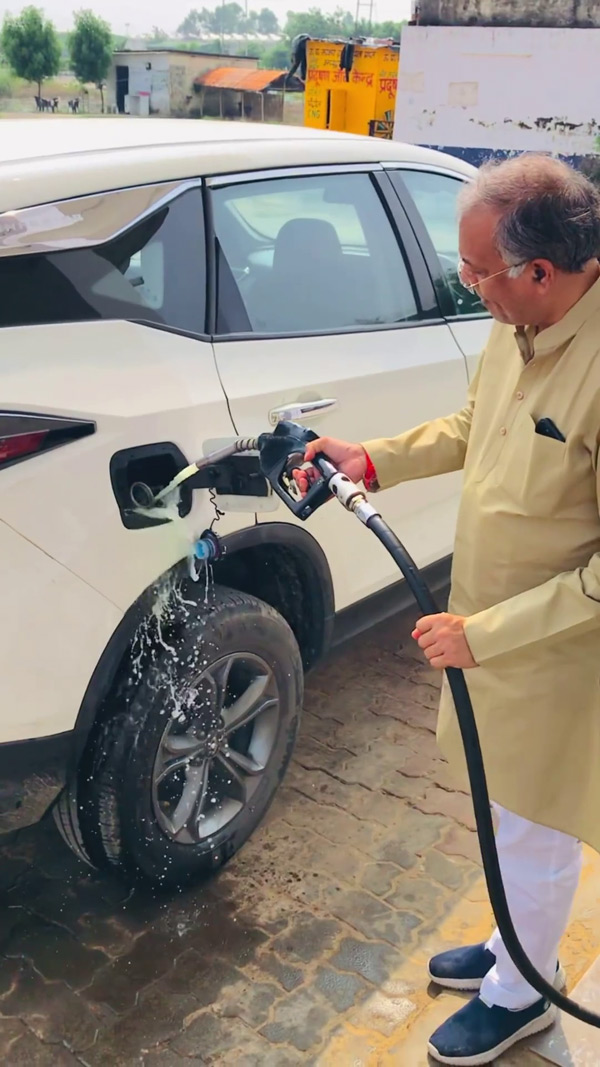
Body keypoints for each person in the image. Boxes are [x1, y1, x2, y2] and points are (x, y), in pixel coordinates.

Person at [296, 154, 600, 1065]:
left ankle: (524, 996)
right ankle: (515, 945)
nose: (470, 291)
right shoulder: (523, 328)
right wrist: (374, 458)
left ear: (540, 271)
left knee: (536, 825)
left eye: (479, 275)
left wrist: (486, 633)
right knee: (500, 807)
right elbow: (475, 430)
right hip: (489, 633)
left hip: (552, 652)